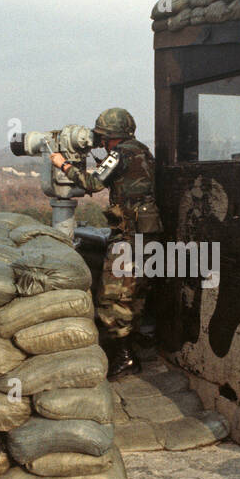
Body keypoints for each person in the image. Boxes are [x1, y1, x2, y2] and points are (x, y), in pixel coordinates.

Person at [49, 107, 160, 379]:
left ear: (113, 136)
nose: (100, 142)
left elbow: (93, 183)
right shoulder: (143, 151)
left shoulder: (119, 154)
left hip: (128, 234)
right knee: (136, 291)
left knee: (111, 296)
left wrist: (62, 164)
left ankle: (125, 357)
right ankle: (134, 347)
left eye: (103, 138)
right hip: (149, 231)